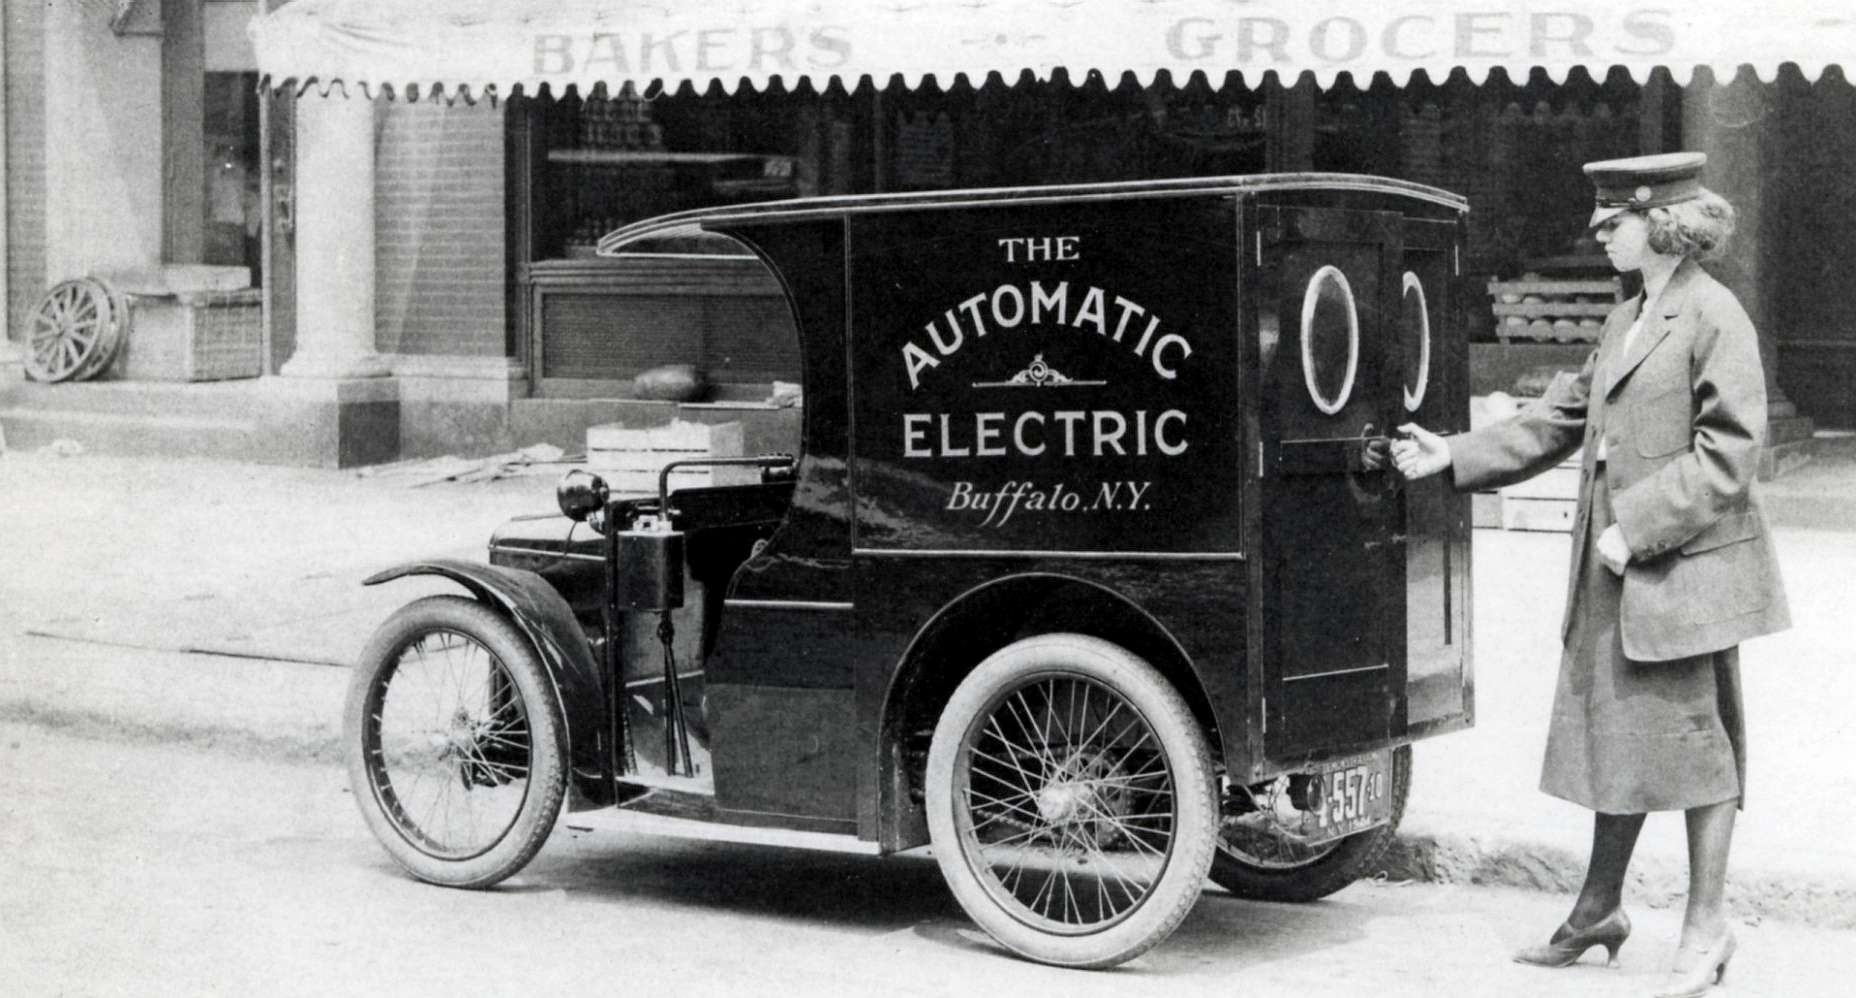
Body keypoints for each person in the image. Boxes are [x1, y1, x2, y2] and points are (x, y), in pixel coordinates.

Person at [1393, 151, 1790, 998]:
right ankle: (1599, 911)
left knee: (1696, 748)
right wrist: (1452, 455)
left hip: (1682, 572)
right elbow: (1562, 416)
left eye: (1614, 223)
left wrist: (1634, 530)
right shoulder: (1630, 318)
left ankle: (1706, 928)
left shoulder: (1715, 315)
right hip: (1626, 571)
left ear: (1662, 222)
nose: (1602, 236)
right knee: (1621, 732)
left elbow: (1731, 456)